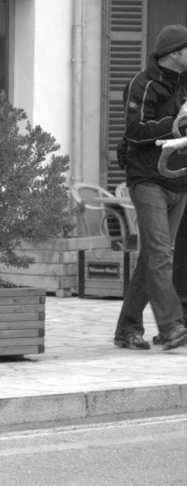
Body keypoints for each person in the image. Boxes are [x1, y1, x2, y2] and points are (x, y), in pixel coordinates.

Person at [113, 24, 187, 352]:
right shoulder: (143, 84)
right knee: (160, 254)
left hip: (179, 181)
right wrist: (175, 124)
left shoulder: (185, 83)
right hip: (147, 180)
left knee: (151, 259)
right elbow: (133, 132)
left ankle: (127, 328)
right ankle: (172, 327)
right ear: (176, 53)